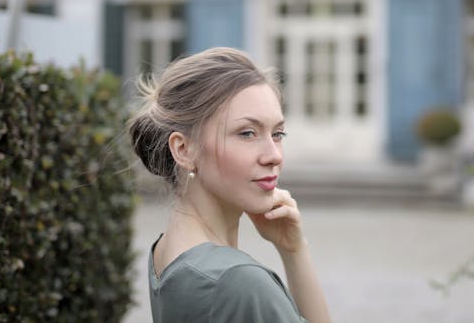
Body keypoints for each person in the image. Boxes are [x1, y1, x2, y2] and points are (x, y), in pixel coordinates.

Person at [127, 47, 331, 323]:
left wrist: (293, 250)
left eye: (278, 133)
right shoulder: (237, 282)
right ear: (184, 149)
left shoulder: (166, 253)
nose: (274, 156)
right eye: (247, 133)